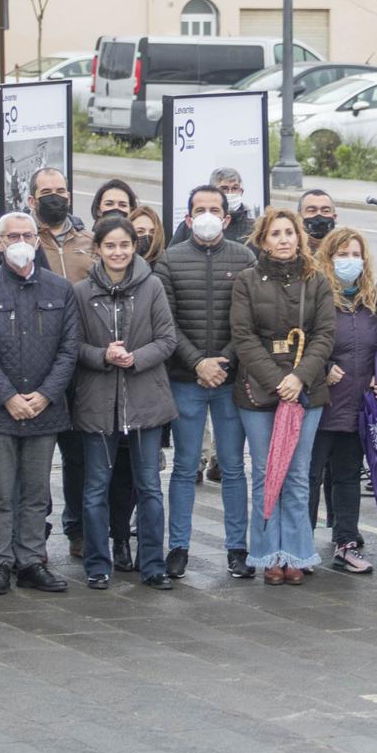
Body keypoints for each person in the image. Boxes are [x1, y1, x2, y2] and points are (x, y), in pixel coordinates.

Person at [0, 211, 80, 597]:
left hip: (45, 408)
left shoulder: (60, 289)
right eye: (11, 235)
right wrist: (8, 397)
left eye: (27, 235)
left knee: (36, 491)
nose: (20, 242)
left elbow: (69, 349)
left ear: (36, 240)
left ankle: (31, 559)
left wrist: (45, 395)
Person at [71, 215, 179, 590]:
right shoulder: (82, 292)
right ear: (98, 249)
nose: (118, 252)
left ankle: (152, 564)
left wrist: (136, 357)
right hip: (98, 404)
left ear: (135, 247)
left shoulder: (152, 287)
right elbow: (73, 347)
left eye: (125, 245)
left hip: (145, 401)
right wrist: (103, 355)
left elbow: (167, 339)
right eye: (110, 245)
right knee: (96, 486)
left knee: (149, 485)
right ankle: (97, 565)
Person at [155, 184, 256, 578]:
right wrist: (198, 362)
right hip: (185, 379)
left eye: (215, 209)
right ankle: (178, 546)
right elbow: (167, 322)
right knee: (183, 467)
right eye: (200, 209)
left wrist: (223, 362)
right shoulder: (170, 260)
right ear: (188, 217)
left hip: (230, 382)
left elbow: (248, 321)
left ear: (227, 219)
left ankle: (237, 548)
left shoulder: (246, 257)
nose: (208, 215)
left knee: (232, 466)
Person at [230, 208, 335, 583]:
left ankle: (296, 553)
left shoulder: (317, 280)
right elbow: (243, 337)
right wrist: (278, 380)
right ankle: (267, 555)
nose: (284, 239)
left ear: (299, 237)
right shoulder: (246, 280)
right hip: (259, 391)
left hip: (307, 390)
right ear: (263, 240)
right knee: (264, 472)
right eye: (275, 233)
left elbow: (325, 335)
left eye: (289, 232)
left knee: (297, 475)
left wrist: (300, 378)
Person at [29, 166, 95, 558]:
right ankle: (36, 528)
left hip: (81, 364)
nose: (56, 196)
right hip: (37, 362)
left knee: (77, 455)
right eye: (47, 191)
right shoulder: (20, 236)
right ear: (32, 199)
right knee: (36, 457)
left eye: (62, 189)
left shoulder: (89, 241)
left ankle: (77, 529)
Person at [311, 226, 377, 573]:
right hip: (320, 404)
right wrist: (322, 368)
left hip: (357, 406)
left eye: (356, 255)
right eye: (342, 254)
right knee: (308, 477)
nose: (350, 261)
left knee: (348, 476)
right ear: (328, 258)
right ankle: (298, 545)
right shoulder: (317, 297)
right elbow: (303, 345)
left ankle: (346, 542)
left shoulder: (370, 301)